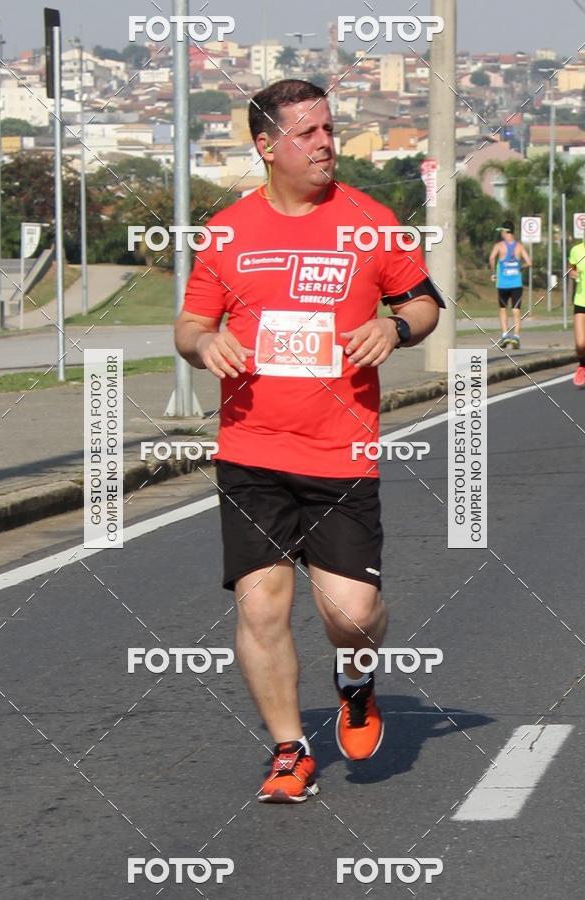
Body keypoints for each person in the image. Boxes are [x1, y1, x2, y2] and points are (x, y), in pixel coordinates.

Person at [175, 79, 444, 803]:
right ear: (266, 147)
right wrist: (206, 346)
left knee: (350, 615)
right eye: (308, 133)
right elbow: (189, 325)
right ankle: (289, 749)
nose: (327, 143)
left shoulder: (369, 220)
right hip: (252, 448)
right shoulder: (228, 231)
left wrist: (394, 327)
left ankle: (356, 679)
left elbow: (424, 302)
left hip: (340, 454)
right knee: (261, 604)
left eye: (330, 129)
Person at [489, 220, 531, 350]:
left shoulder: (499, 246)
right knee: (516, 310)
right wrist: (520, 267)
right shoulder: (519, 246)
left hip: (502, 284)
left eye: (502, 231)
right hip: (516, 284)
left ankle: (505, 334)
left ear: (507, 231)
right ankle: (516, 337)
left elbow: (491, 258)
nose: (501, 233)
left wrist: (493, 272)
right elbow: (529, 262)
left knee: (503, 309)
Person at [568, 239, 585, 387]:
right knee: (580, 344)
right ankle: (582, 366)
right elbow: (572, 268)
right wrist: (573, 273)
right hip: (581, 300)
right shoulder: (576, 250)